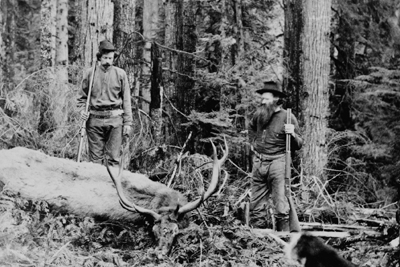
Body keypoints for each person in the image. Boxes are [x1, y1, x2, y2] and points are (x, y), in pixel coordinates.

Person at [248, 81, 302, 231]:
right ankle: (257, 238)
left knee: (280, 202)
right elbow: (251, 127)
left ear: (277, 99)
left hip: (278, 162)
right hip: (259, 162)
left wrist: (292, 134)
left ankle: (283, 237)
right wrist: (253, 142)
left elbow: (299, 144)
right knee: (255, 203)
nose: (262, 101)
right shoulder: (259, 114)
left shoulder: (288, 116)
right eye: (262, 98)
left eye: (266, 98)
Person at [78, 40, 133, 166]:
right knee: (95, 161)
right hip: (94, 121)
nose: (108, 61)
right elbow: (81, 98)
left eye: (111, 58)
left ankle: (111, 185)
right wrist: (82, 111)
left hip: (115, 121)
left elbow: (126, 100)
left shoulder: (120, 74)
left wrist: (128, 123)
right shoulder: (90, 73)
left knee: (113, 159)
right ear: (99, 57)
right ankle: (97, 185)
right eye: (105, 58)